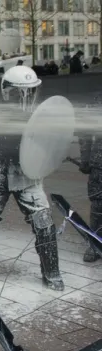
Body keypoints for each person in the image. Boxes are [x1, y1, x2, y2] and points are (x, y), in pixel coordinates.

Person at [0, 66, 64, 290]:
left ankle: (52, 272)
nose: (25, 97)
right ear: (6, 91)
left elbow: (48, 144)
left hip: (28, 175)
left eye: (30, 92)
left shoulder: (39, 114)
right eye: (20, 92)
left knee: (44, 223)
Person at [78, 92, 102, 262]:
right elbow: (85, 132)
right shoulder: (97, 99)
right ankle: (95, 243)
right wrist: (85, 159)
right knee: (98, 205)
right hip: (100, 163)